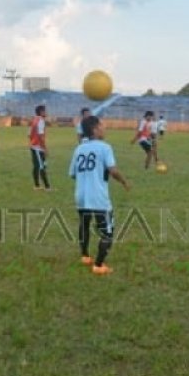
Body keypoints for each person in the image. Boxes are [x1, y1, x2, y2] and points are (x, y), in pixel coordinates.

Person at [69, 116, 130, 275]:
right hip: (98, 198)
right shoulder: (104, 147)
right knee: (107, 231)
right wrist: (124, 181)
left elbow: (73, 174)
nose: (105, 128)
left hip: (81, 196)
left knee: (84, 225)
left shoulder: (79, 149)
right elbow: (113, 170)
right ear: (95, 129)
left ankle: (85, 256)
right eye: (102, 126)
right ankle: (98, 265)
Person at [29, 105, 51, 190]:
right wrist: (44, 148)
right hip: (38, 147)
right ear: (41, 112)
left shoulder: (34, 119)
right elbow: (41, 136)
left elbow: (29, 134)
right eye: (45, 111)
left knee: (36, 166)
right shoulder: (41, 121)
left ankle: (37, 185)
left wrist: (32, 142)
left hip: (34, 146)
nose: (46, 113)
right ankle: (47, 187)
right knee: (42, 166)